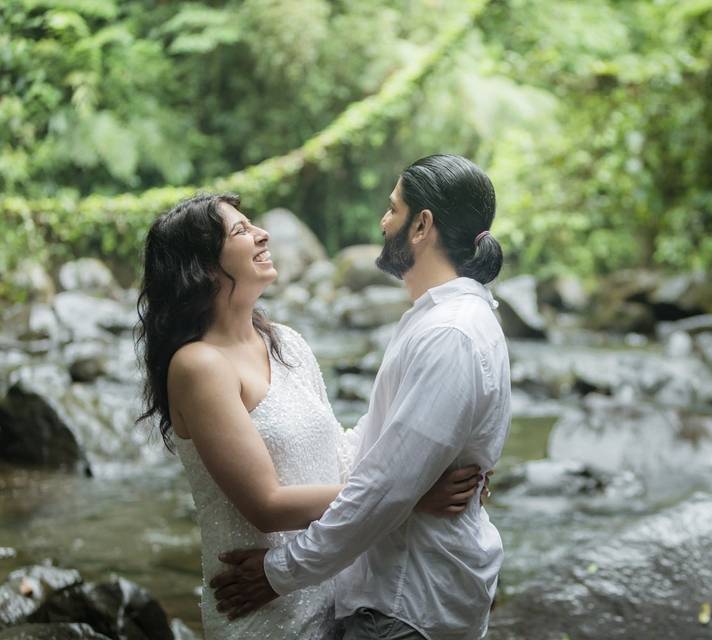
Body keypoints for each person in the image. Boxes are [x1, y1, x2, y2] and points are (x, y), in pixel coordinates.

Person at [135, 192, 483, 639]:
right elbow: (267, 506)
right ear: (201, 267)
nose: (262, 234)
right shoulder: (199, 366)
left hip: (328, 586)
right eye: (241, 231)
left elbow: (340, 455)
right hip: (259, 603)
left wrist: (435, 454)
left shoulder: (286, 342)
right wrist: (410, 497)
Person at [211, 154, 512, 640]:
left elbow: (386, 489)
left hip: (405, 604)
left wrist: (278, 573)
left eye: (393, 209)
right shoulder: (435, 319)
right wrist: (412, 492)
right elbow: (378, 458)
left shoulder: (450, 333)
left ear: (422, 226)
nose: (383, 222)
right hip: (396, 598)